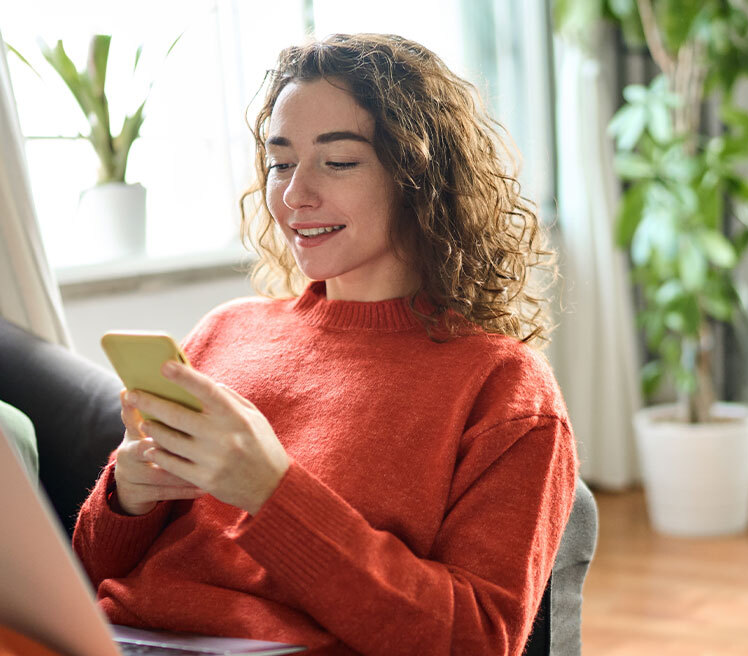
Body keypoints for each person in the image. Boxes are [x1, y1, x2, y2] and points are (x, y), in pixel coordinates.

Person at [73, 33, 577, 655]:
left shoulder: (504, 388)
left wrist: (271, 492)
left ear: (418, 176)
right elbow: (93, 571)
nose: (293, 194)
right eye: (281, 161)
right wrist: (127, 498)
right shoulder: (228, 329)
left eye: (337, 162)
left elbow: (477, 639)